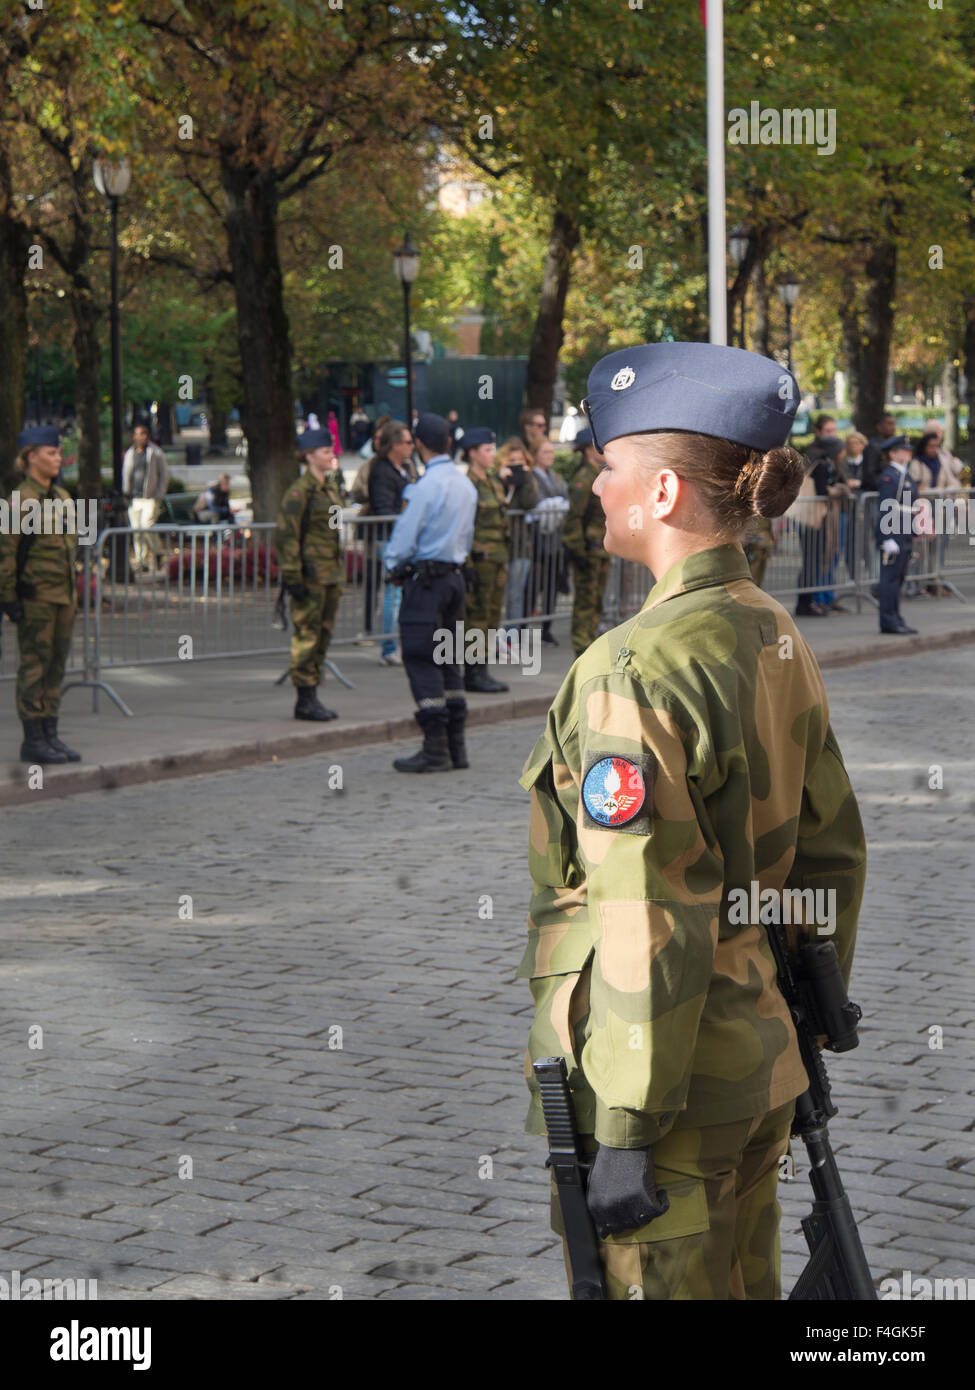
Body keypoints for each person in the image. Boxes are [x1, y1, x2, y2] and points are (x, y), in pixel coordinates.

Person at [518, 340, 866, 1301]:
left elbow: (644, 905)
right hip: (756, 1056)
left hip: (662, 1089)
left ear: (663, 493)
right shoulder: (772, 627)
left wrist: (624, 1124)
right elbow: (829, 853)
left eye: (606, 467)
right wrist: (812, 1015)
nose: (594, 487)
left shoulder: (632, 668)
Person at [384, 413, 476, 772]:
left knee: (423, 659)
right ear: (450, 444)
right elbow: (465, 536)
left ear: (419, 445)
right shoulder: (465, 485)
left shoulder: (425, 487)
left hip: (426, 583)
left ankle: (435, 749)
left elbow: (405, 536)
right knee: (450, 659)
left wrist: (392, 566)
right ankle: (457, 748)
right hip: (454, 578)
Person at [0, 426, 82, 763]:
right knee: (34, 666)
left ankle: (51, 733)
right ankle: (32, 739)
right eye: (51, 453)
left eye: (59, 452)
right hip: (35, 598)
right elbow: (5, 554)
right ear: (30, 457)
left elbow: (71, 546)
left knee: (56, 666)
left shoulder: (62, 498)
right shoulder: (18, 501)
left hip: (63, 596)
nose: (58, 458)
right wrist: (8, 598)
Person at [275, 428, 345, 720]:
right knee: (307, 635)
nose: (331, 455)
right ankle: (304, 698)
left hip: (330, 574)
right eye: (325, 451)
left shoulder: (329, 488)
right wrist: (292, 576)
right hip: (310, 575)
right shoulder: (298, 492)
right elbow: (286, 537)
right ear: (308, 456)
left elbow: (334, 532)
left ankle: (314, 692)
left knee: (323, 634)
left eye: (331, 451)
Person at [463, 428, 539, 693]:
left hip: (498, 558)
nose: (491, 454)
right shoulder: (468, 483)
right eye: (486, 450)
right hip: (479, 559)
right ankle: (472, 671)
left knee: (493, 616)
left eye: (492, 449)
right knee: (477, 616)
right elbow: (464, 526)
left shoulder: (494, 482)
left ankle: (483, 669)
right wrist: (467, 563)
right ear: (472, 453)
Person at [367, 419, 415, 665]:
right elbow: (384, 509)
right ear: (394, 445)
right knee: (392, 595)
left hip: (401, 539)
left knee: (400, 595)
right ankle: (388, 647)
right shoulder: (382, 471)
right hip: (389, 539)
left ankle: (396, 644)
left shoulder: (404, 468)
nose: (412, 446)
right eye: (407, 442)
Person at [562, 427, 610, 655]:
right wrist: (577, 550)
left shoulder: (596, 475)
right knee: (585, 603)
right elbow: (573, 518)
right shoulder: (583, 479)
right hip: (588, 552)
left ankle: (589, 644)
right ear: (590, 449)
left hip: (599, 550)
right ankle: (582, 649)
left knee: (596, 602)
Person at [493, 437, 540, 647]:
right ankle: (491, 637)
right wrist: (501, 479)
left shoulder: (528, 480)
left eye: (519, 461)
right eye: (511, 460)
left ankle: (511, 637)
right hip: (498, 546)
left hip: (521, 546)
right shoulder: (495, 480)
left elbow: (529, 503)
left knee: (515, 594)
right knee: (495, 594)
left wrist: (526, 477)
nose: (516, 465)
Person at [875, 434, 919, 635]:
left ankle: (896, 617)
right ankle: (888, 621)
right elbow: (885, 508)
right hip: (893, 532)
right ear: (893, 454)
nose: (908, 453)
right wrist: (887, 538)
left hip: (903, 532)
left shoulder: (903, 474)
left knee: (898, 579)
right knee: (889, 580)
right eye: (904, 450)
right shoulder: (889, 476)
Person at [528, 437, 570, 644]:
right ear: (535, 454)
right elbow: (536, 503)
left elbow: (563, 498)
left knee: (552, 586)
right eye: (545, 452)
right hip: (536, 540)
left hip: (554, 539)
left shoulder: (557, 477)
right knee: (534, 584)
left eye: (551, 452)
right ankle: (523, 628)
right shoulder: (531, 478)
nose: (550, 456)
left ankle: (547, 627)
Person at [122, 422, 168, 571]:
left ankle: (158, 553)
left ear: (147, 436)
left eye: (142, 434)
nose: (139, 437)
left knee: (147, 525)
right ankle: (141, 561)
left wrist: (158, 495)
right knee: (137, 531)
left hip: (150, 497)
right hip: (134, 497)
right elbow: (126, 474)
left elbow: (164, 475)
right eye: (136, 434)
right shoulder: (130, 453)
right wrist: (126, 493)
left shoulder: (155, 452)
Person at [861, 413, 898, 493]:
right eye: (889, 424)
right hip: (877, 493)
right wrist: (885, 486)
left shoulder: (896, 445)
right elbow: (870, 474)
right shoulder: (873, 446)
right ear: (879, 427)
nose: (893, 427)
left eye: (894, 424)